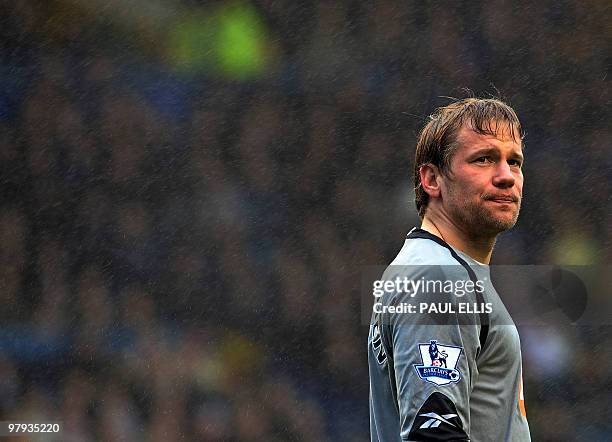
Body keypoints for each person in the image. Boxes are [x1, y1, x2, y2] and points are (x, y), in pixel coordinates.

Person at [368, 98, 531, 441]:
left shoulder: (439, 269)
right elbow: (433, 434)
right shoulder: (436, 278)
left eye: (513, 161)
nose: (505, 176)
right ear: (432, 179)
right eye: (483, 159)